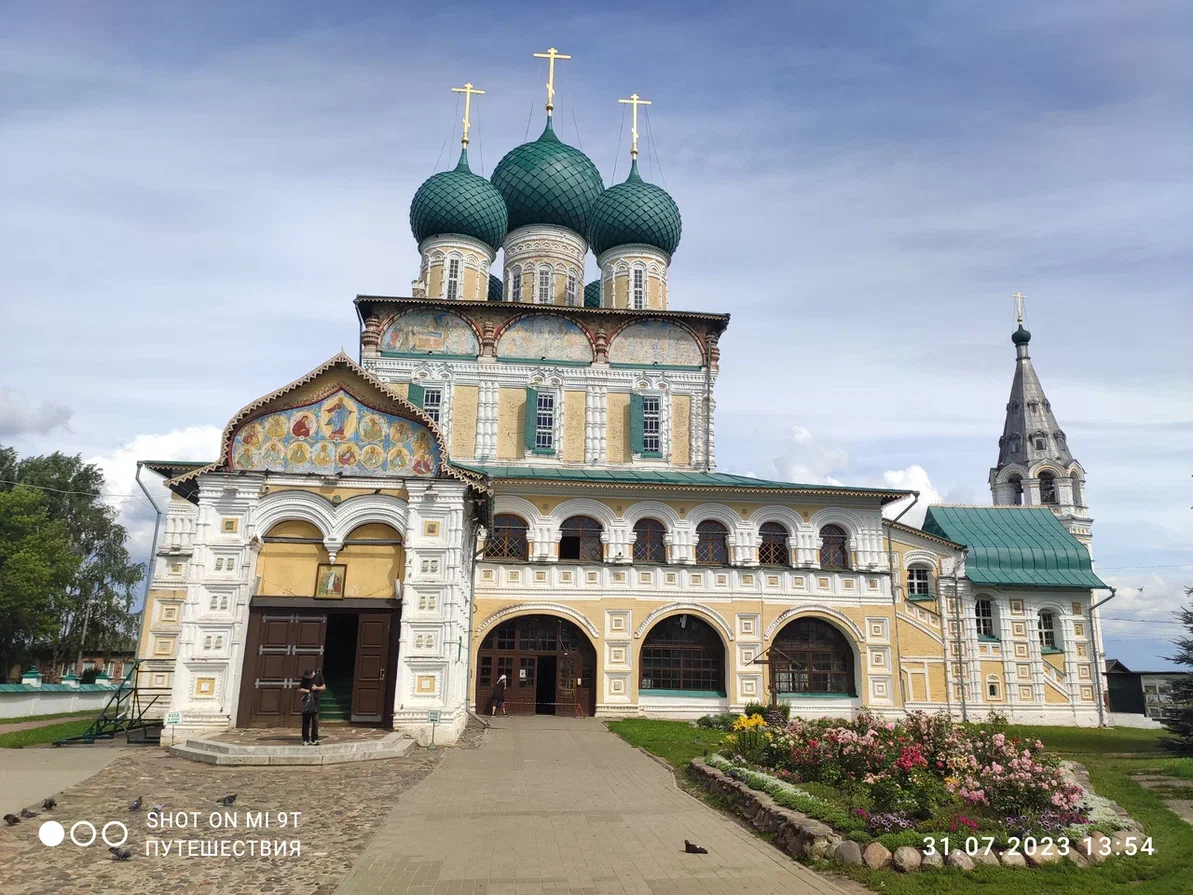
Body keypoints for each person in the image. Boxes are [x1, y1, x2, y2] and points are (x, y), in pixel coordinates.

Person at [298, 668, 326, 745]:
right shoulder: (304, 678)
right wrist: (306, 690)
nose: (308, 678)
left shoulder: (319, 676)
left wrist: (316, 688)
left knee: (315, 720)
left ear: (313, 673)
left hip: (316, 701)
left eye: (309, 676)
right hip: (307, 701)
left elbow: (324, 687)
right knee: (305, 721)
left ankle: (314, 739)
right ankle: (305, 739)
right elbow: (300, 689)